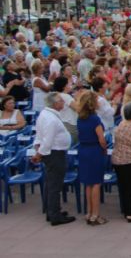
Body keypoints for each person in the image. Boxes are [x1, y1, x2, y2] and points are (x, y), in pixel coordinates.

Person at [32, 92, 75, 226]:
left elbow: (40, 136)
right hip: (54, 153)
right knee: (54, 185)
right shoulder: (50, 118)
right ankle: (55, 215)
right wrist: (39, 153)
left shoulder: (46, 115)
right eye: (61, 101)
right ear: (55, 104)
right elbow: (47, 140)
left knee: (52, 184)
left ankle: (52, 211)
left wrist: (38, 150)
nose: (63, 102)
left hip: (53, 152)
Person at [76, 90, 108, 225]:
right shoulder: (95, 119)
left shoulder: (79, 118)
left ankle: (89, 212)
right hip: (94, 150)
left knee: (88, 183)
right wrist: (105, 148)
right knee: (96, 183)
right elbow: (101, 138)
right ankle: (95, 214)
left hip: (83, 150)